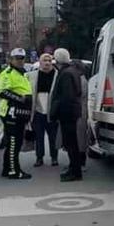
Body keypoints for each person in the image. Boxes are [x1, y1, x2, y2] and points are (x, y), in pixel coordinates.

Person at [0, 48, 34, 179]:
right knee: (13, 143)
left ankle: (7, 169)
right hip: (10, 112)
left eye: (22, 58)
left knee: (15, 142)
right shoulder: (7, 73)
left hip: (20, 113)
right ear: (10, 59)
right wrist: (21, 99)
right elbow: (1, 92)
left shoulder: (22, 73)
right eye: (17, 58)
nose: (20, 61)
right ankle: (14, 171)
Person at [49, 48, 87, 182]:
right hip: (72, 113)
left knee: (71, 144)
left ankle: (75, 172)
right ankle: (73, 169)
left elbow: (66, 97)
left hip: (68, 114)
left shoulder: (66, 74)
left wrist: (57, 112)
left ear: (58, 60)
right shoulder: (73, 71)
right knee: (72, 143)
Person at [27, 52, 59, 167]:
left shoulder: (57, 75)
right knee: (39, 136)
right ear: (40, 62)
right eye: (44, 61)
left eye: (49, 61)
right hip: (38, 111)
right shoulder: (32, 76)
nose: (47, 63)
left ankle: (54, 157)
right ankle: (39, 158)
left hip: (52, 111)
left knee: (53, 136)